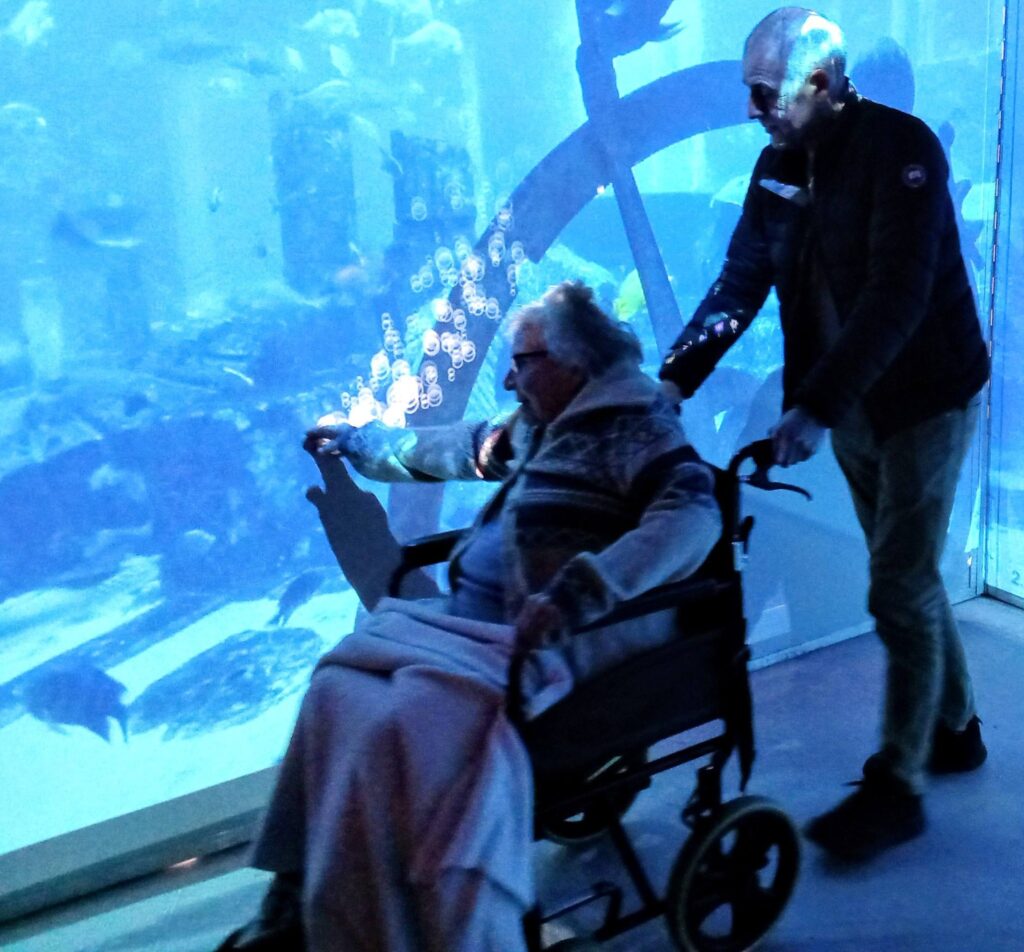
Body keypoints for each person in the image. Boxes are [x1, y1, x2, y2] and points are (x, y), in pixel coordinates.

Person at [219, 281, 721, 951]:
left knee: (395, 725)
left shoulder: (637, 426)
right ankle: (301, 897)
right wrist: (362, 442)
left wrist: (583, 592)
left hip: (559, 645)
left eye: (522, 362)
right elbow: (456, 447)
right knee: (337, 690)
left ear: (573, 360)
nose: (509, 380)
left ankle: (387, 921)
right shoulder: (542, 425)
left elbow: (694, 515)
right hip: (475, 632)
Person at [657, 7, 990, 862]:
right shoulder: (776, 169)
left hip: (925, 401)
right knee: (906, 577)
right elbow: (737, 288)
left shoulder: (904, 151)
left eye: (763, 91)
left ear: (822, 82)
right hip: (853, 408)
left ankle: (900, 786)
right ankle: (955, 731)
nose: (751, 109)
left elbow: (897, 298)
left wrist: (812, 409)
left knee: (897, 584)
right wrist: (670, 382)